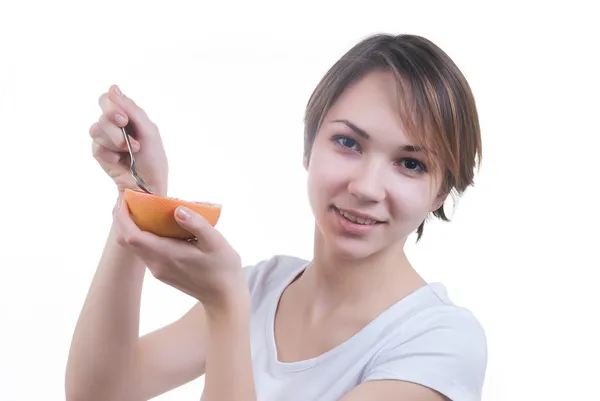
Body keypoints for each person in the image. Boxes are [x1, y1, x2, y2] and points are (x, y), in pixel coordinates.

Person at [65, 33, 487, 401]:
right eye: (347, 142)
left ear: (441, 193)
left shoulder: (439, 343)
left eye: (411, 164)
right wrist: (139, 197)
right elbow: (99, 392)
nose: (366, 187)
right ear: (309, 148)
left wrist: (226, 308)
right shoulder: (260, 289)